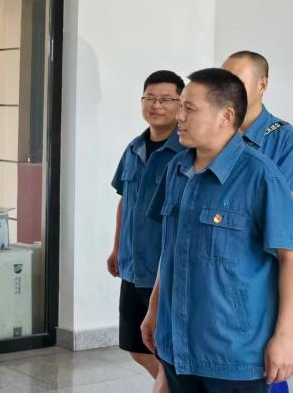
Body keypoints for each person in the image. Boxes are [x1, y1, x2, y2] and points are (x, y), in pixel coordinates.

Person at [141, 68, 293, 392]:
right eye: (181, 106)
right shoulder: (177, 168)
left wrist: (286, 338)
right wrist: (154, 310)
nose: (179, 116)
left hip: (233, 353)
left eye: (190, 108)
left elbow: (292, 259)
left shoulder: (260, 176)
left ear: (226, 116)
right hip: (178, 344)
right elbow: (170, 249)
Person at [108, 70, 186, 390]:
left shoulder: (186, 153)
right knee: (137, 347)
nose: (156, 105)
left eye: (166, 99)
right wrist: (116, 248)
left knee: (165, 348)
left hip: (164, 269)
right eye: (150, 98)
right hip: (132, 265)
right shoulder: (134, 148)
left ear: (181, 104)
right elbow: (125, 200)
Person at [221, 51, 293, 215]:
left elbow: (275, 207)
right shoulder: (212, 135)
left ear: (262, 85)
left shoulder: (289, 142)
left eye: (236, 82)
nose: (225, 90)